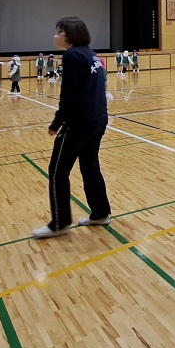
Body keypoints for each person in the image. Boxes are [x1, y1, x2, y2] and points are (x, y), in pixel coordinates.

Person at [32, 16, 112, 238]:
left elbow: (69, 95)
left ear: (68, 35)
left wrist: (57, 123)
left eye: (59, 32)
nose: (55, 36)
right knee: (90, 167)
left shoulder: (72, 55)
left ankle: (59, 223)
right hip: (97, 120)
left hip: (79, 123)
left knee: (58, 172)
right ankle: (100, 213)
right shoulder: (90, 54)